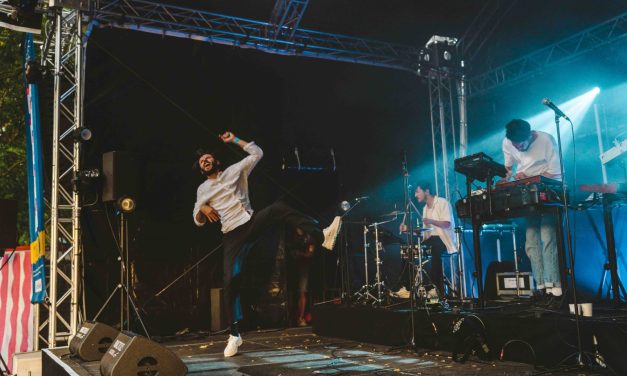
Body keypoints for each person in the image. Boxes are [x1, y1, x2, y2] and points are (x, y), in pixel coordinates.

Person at [193, 131, 326, 357]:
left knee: (278, 209)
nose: (204, 161)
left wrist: (234, 140)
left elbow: (257, 152)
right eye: (200, 162)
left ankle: (321, 233)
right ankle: (235, 335)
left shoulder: (236, 170)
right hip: (232, 235)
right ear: (200, 168)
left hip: (250, 223)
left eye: (207, 158)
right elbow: (196, 215)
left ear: (215, 161)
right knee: (230, 279)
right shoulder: (202, 189)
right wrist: (203, 209)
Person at [498, 119, 562, 298]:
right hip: (527, 191)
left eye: (522, 145)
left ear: (530, 136)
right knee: (531, 241)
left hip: (550, 189)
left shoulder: (546, 140)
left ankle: (554, 285)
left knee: (548, 236)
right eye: (515, 146)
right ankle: (541, 284)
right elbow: (508, 167)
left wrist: (530, 178)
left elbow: (556, 172)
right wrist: (506, 179)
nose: (518, 148)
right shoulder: (508, 142)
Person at [413, 184, 457, 298]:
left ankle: (435, 289)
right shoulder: (425, 208)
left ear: (426, 191)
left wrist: (431, 221)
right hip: (431, 239)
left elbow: (447, 223)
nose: (415, 195)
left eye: (417, 192)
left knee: (435, 250)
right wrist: (411, 231)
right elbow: (426, 231)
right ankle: (406, 287)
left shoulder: (442, 202)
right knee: (410, 250)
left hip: (444, 239)